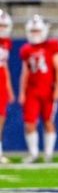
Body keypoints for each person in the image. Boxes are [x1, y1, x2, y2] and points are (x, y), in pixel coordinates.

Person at [18, 15, 58, 163]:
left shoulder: (53, 45)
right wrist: (21, 92)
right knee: (29, 122)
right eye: (33, 31)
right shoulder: (26, 49)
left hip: (48, 89)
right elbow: (24, 72)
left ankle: (48, 153)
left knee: (48, 121)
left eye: (38, 30)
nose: (35, 34)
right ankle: (34, 153)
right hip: (32, 90)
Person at [0, 11, 14, 164]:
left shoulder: (6, 42)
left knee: (1, 118)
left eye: (4, 25)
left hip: (1, 79)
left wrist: (9, 87)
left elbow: (4, 65)